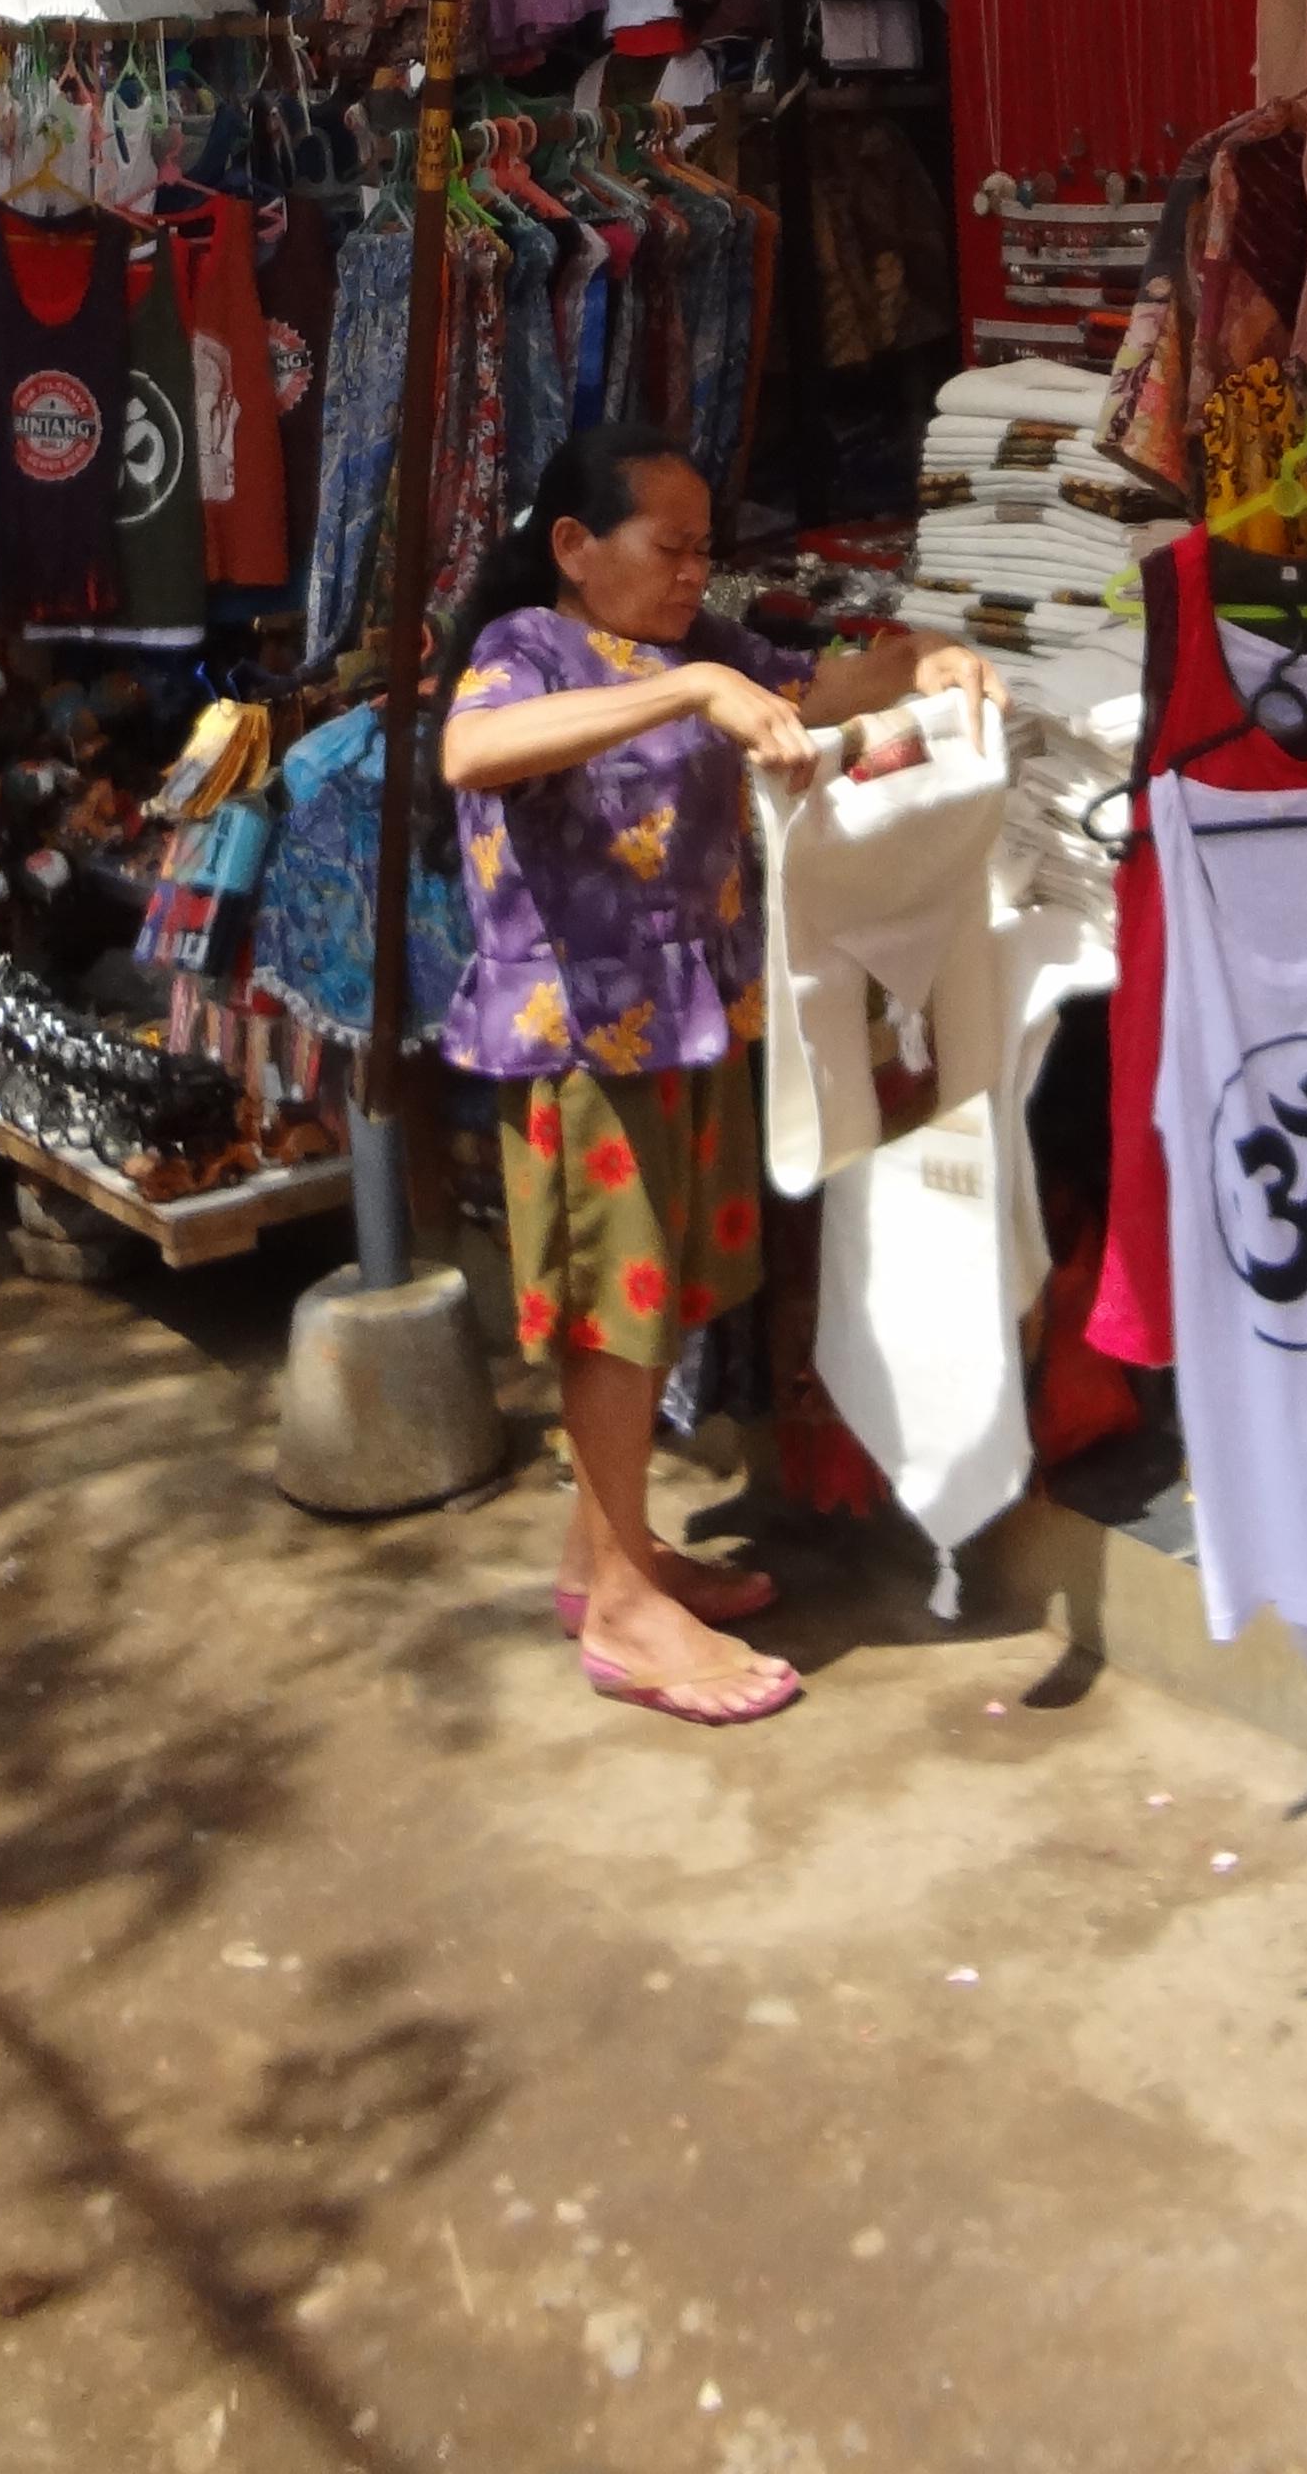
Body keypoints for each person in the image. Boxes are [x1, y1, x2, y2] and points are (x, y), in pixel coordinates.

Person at [440, 426, 996, 1724]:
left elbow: (836, 683)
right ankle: (629, 1618)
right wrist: (690, 696)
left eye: (706, 551)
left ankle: (607, 1560)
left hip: (687, 1020)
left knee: (662, 1290)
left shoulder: (704, 651)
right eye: (669, 548)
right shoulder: (523, 651)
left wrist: (930, 657)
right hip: (582, 1033)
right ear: (576, 549)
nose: (696, 574)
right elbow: (475, 754)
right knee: (612, 1307)